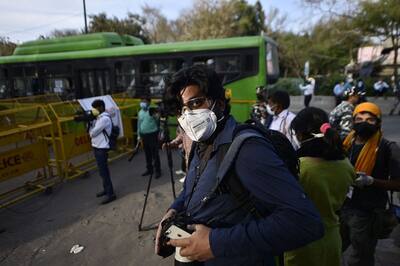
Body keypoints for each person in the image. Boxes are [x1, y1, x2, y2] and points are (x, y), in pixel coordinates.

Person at [155, 65, 324, 265]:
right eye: (181, 110)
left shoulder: (247, 149)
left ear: (218, 102)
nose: (188, 116)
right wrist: (174, 209)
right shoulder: (202, 143)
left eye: (196, 103)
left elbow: (305, 222)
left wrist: (215, 243)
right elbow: (194, 187)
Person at [285, 107, 355, 266]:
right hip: (332, 238)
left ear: (301, 134)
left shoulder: (298, 167)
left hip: (302, 240)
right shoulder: (346, 165)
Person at [340, 102, 400, 266]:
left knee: (360, 257)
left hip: (367, 212)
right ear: (352, 122)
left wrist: (372, 181)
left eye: (370, 120)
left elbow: (397, 183)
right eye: (359, 119)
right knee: (334, 249)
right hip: (342, 207)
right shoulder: (346, 142)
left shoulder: (388, 148)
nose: (364, 123)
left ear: (378, 123)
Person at [89, 99, 116, 204]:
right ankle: (106, 189)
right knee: (101, 171)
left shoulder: (104, 119)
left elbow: (92, 133)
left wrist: (91, 126)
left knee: (104, 172)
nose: (93, 110)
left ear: (100, 107)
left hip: (102, 148)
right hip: (97, 146)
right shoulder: (99, 118)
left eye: (95, 108)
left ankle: (111, 194)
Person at [137, 96, 161, 178]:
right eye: (142, 101)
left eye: (144, 101)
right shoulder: (140, 112)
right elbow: (139, 124)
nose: (142, 103)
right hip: (144, 135)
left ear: (149, 102)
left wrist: (157, 115)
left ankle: (158, 171)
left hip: (152, 135)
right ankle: (149, 169)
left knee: (155, 153)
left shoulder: (152, 110)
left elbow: (158, 121)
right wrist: (139, 135)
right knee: (147, 154)